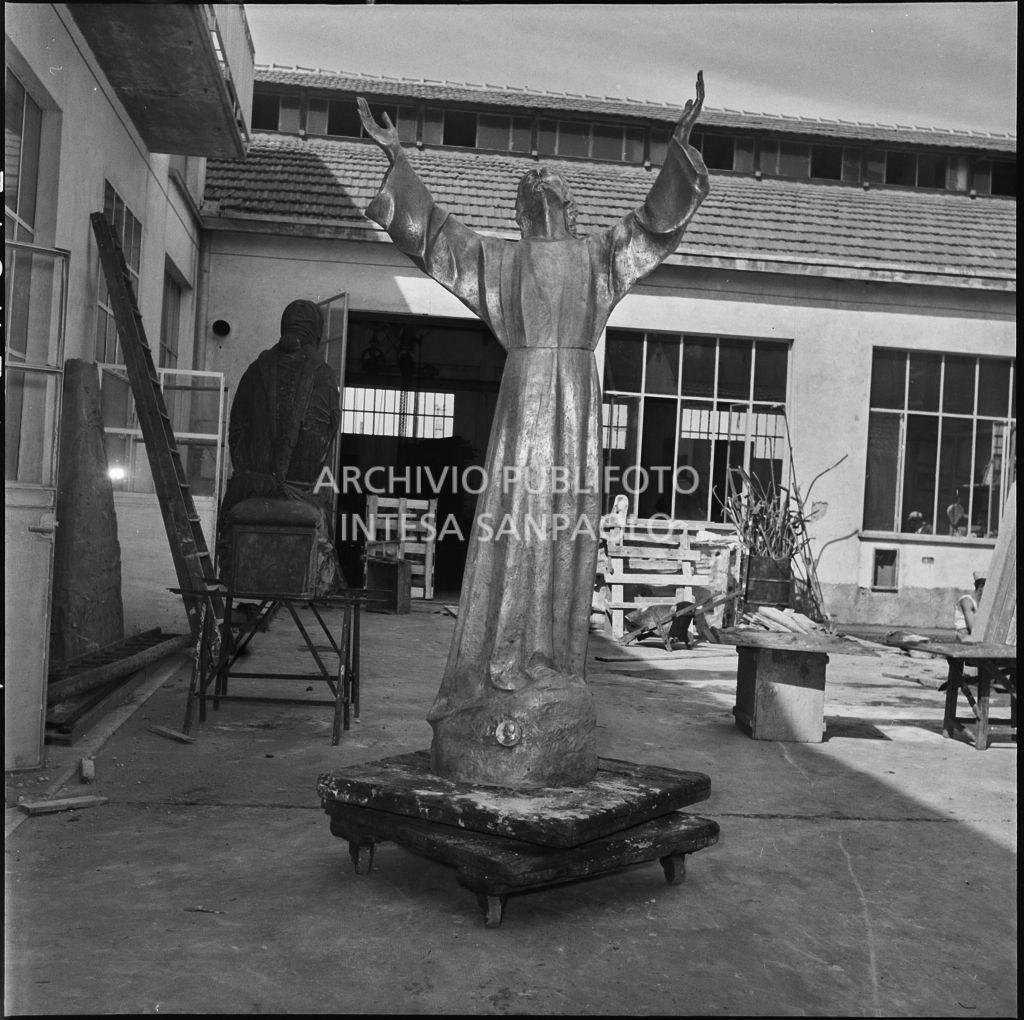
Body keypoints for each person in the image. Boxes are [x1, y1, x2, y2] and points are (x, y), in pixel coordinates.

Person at [357, 73, 710, 787]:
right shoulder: (501, 261)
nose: (546, 185)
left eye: (556, 181)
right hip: (524, 406)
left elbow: (653, 225)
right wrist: (397, 160)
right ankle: (502, 665)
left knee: (564, 531)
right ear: (522, 207)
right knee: (516, 525)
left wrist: (680, 149)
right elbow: (435, 239)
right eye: (535, 181)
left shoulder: (598, 258)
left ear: (571, 206)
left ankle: (549, 664)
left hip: (576, 407)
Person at [218, 298, 343, 593]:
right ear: (316, 330)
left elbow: (236, 428)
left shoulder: (255, 369)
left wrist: (253, 473)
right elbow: (326, 436)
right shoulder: (323, 375)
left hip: (251, 488)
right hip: (300, 489)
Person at [954, 570, 986, 642]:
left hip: (974, 636)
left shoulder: (982, 603)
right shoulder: (967, 601)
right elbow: (972, 628)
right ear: (981, 587)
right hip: (964, 636)